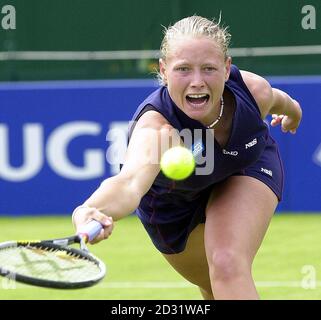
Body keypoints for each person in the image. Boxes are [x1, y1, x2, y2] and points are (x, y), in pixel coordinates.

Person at [72, 15, 302, 300]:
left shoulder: (253, 93)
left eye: (208, 69)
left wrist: (294, 114)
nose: (197, 82)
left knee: (227, 263)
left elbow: (283, 101)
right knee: (212, 285)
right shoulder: (157, 129)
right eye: (183, 69)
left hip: (245, 167)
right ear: (163, 70)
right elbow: (129, 183)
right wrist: (89, 209)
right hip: (174, 204)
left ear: (227, 68)